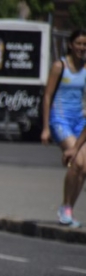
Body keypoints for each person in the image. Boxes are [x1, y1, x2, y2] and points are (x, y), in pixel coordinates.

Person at [41, 29, 86, 228]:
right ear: (70, 45)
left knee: (84, 165)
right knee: (76, 161)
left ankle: (68, 207)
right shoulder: (60, 66)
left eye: (85, 45)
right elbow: (48, 96)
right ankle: (65, 208)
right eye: (78, 44)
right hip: (60, 119)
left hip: (78, 120)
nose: (82, 48)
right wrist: (45, 128)